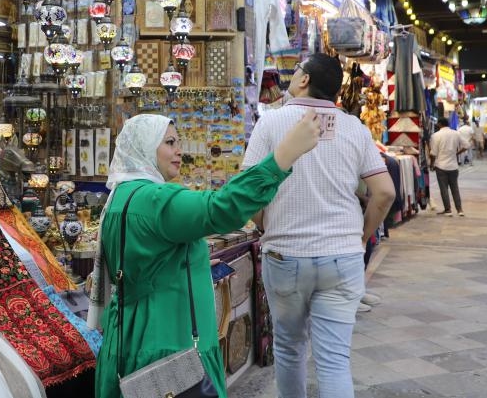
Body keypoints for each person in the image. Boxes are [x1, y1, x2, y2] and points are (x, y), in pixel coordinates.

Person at [91, 111, 322, 398]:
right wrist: (282, 156)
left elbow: (145, 264)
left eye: (179, 142)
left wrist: (195, 263)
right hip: (169, 344)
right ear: (144, 147)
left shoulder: (122, 197)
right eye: (169, 142)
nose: (179, 150)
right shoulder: (154, 199)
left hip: (132, 336)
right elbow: (223, 208)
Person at [242, 53, 395, 398]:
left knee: (289, 348)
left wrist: (268, 223)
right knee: (334, 360)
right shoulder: (354, 128)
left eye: (296, 71)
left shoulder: (272, 122)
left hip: (285, 254)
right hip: (342, 256)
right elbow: (384, 192)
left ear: (304, 80)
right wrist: (360, 236)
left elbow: (247, 190)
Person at [429, 117, 467, 216]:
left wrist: (432, 164)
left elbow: (433, 153)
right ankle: (460, 210)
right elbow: (466, 145)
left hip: (441, 166)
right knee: (455, 188)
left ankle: (448, 210)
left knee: (444, 189)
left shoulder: (435, 135)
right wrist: (457, 153)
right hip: (454, 166)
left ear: (440, 124)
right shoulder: (456, 133)